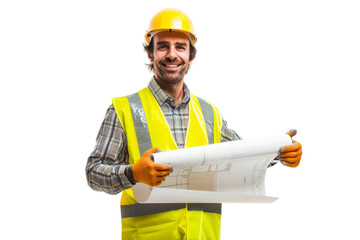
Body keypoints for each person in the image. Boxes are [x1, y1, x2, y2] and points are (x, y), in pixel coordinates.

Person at [86, 8, 303, 240]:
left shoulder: (209, 113)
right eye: (162, 46)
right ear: (150, 54)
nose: (172, 54)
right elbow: (93, 172)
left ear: (191, 55)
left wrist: (279, 153)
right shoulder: (124, 109)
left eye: (180, 46)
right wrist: (133, 173)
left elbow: (242, 156)